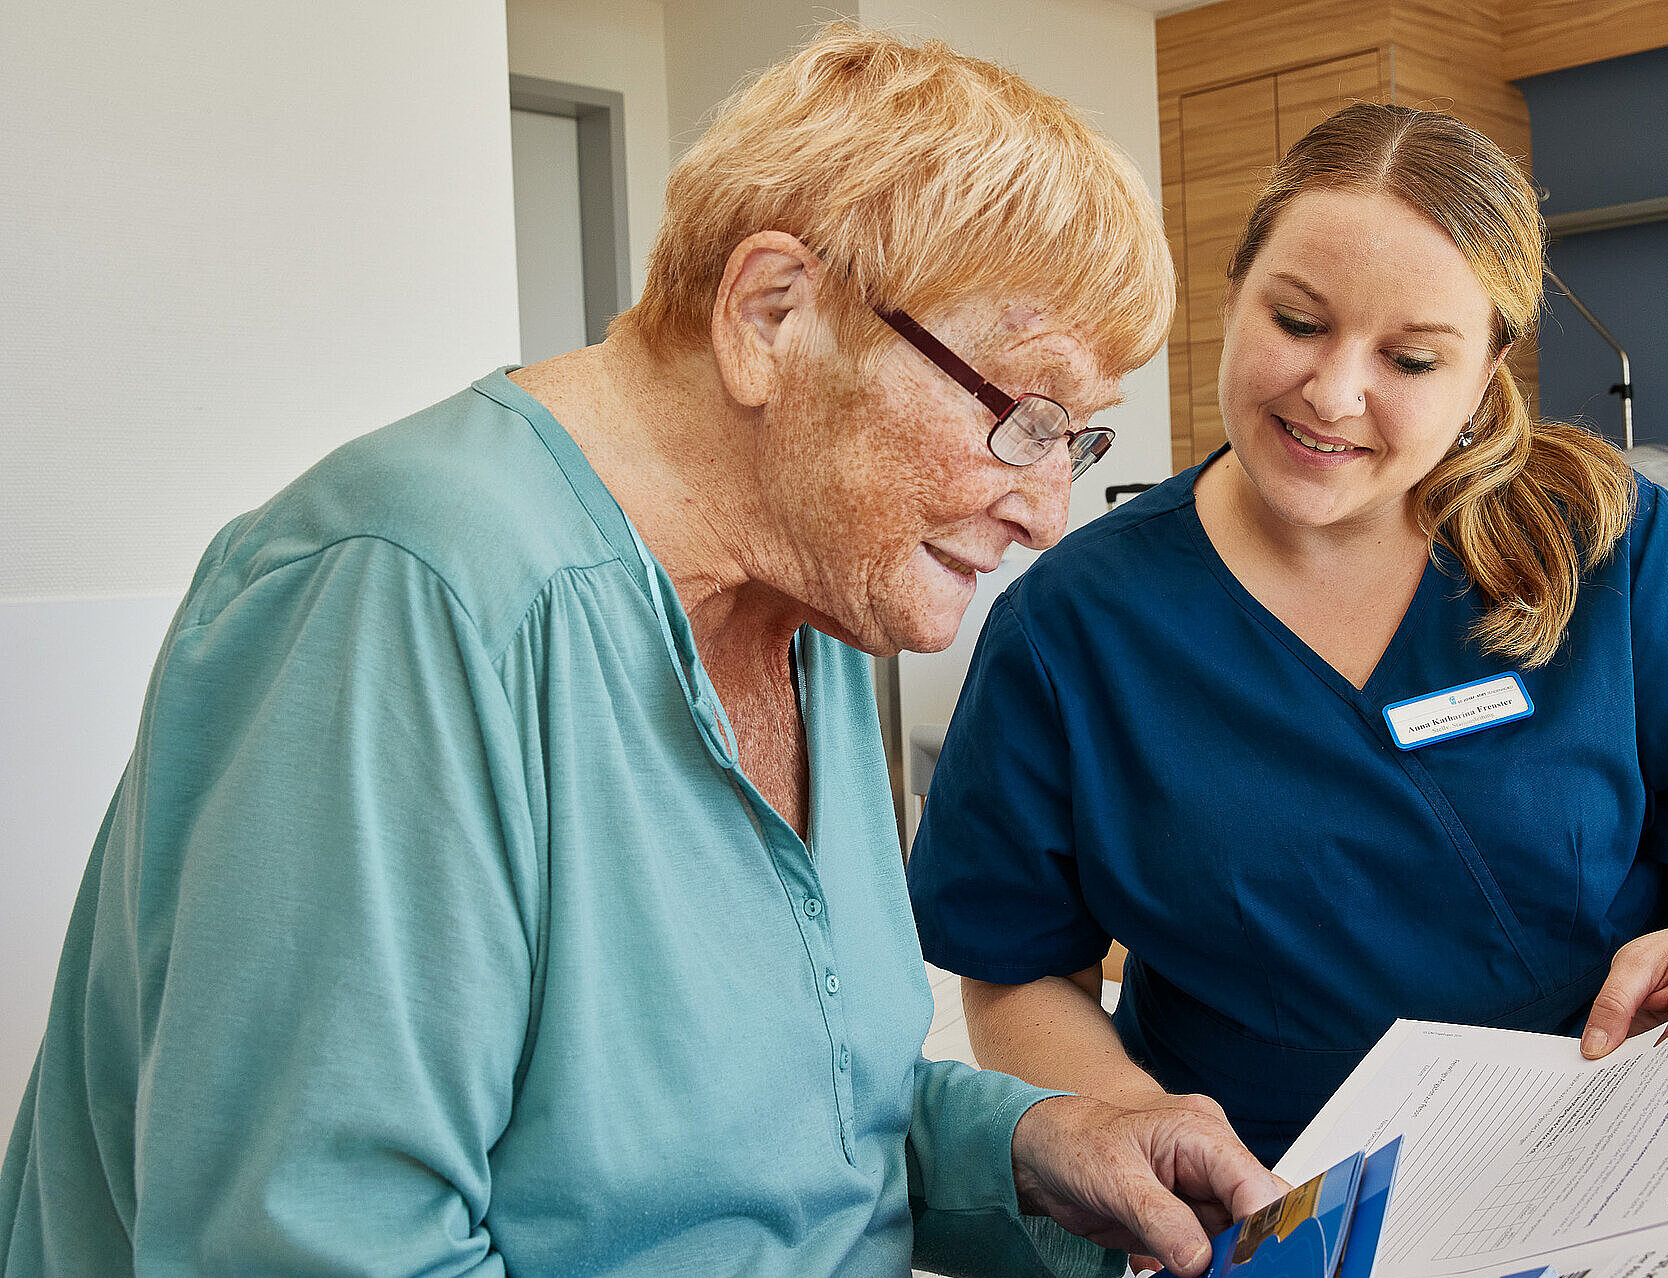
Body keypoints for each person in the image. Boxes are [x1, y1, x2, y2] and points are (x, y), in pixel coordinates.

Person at [0, 27, 1285, 1278]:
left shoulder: (810, 592)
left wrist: (1030, 1145)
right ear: (774, 315)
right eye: (1024, 413)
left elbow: (781, 1127)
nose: (1048, 508)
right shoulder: (404, 593)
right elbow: (311, 1246)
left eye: (1082, 439)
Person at [907, 101, 1668, 1273]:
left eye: (1410, 358)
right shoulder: (1073, 625)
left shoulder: (1602, 543)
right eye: (1296, 320)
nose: (1334, 394)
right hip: (1289, 1192)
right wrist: (1128, 1122)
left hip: (1636, 1141)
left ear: (1489, 366)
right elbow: (1016, 967)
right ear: (1234, 294)